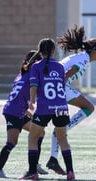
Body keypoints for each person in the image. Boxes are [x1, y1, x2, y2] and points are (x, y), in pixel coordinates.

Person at [46, 25, 96, 174]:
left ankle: (52, 158)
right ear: (95, 50)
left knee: (54, 130)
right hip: (59, 88)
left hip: (55, 87)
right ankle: (61, 136)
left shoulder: (81, 57)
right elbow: (64, 75)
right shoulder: (83, 60)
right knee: (89, 108)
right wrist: (56, 92)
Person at [21, 38, 75, 180]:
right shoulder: (59, 67)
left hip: (45, 107)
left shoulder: (36, 66)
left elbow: (33, 86)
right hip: (61, 107)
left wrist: (31, 103)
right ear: (53, 50)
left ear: (40, 51)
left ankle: (32, 172)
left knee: (32, 137)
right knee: (62, 139)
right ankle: (70, 172)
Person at [0, 50, 48, 178]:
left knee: (40, 133)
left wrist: (28, 109)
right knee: (12, 142)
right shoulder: (32, 75)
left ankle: (35, 165)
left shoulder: (21, 74)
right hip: (14, 112)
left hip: (20, 111)